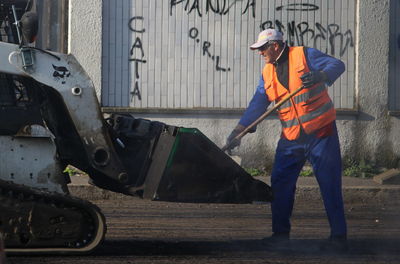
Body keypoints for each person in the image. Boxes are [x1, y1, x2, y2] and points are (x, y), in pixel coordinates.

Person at [226, 28, 347, 248]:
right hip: (291, 138)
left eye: (262, 48)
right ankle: (280, 235)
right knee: (280, 183)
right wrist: (240, 130)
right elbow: (259, 102)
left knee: (329, 184)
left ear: (274, 46)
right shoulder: (267, 73)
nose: (260, 53)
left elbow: (338, 65)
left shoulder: (304, 54)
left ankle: (339, 237)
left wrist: (321, 75)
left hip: (321, 133)